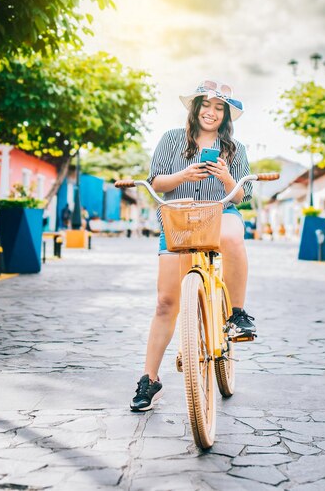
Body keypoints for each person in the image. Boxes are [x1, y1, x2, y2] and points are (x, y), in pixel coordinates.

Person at [128, 80, 254, 412]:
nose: (211, 112)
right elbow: (156, 182)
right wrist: (185, 175)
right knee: (166, 303)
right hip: (178, 218)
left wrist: (226, 177)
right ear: (194, 108)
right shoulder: (171, 139)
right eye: (206, 105)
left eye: (219, 108)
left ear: (225, 114)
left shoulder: (235, 148)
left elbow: (241, 194)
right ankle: (149, 378)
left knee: (230, 236)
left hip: (220, 211)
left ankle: (238, 315)